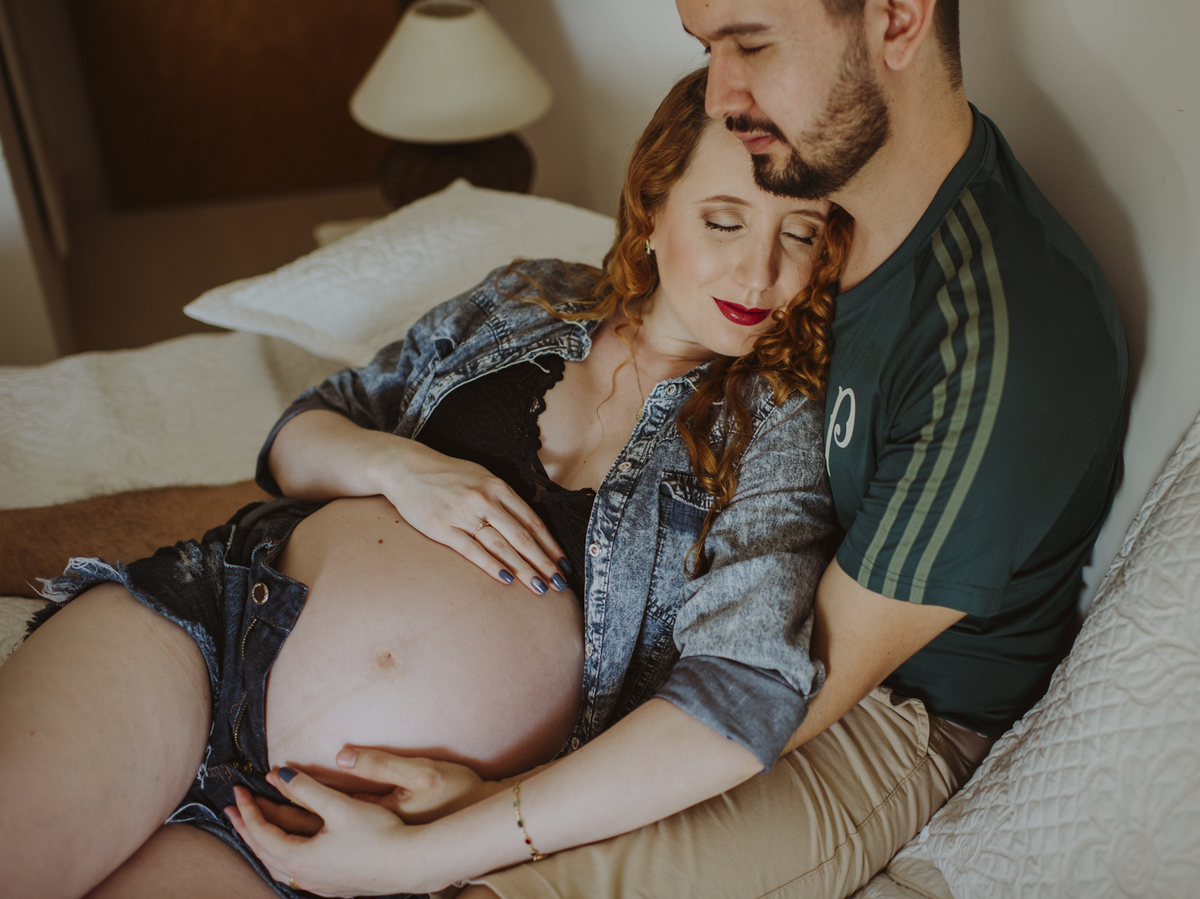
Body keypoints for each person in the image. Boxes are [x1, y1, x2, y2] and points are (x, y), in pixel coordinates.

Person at [239, 0, 1127, 897]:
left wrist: (488, 815)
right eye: (707, 48)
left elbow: (781, 687)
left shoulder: (1001, 339)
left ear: (897, 19)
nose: (720, 89)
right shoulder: (826, 195)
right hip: (730, 655)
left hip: (884, 708)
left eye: (750, 43)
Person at [0, 67, 850, 899]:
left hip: (332, 829)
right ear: (656, 207)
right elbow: (302, 431)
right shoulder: (530, 294)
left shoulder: (775, 426)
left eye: (800, 234)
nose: (759, 274)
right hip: (202, 626)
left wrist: (466, 835)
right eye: (725, 220)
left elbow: (743, 695)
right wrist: (399, 465)